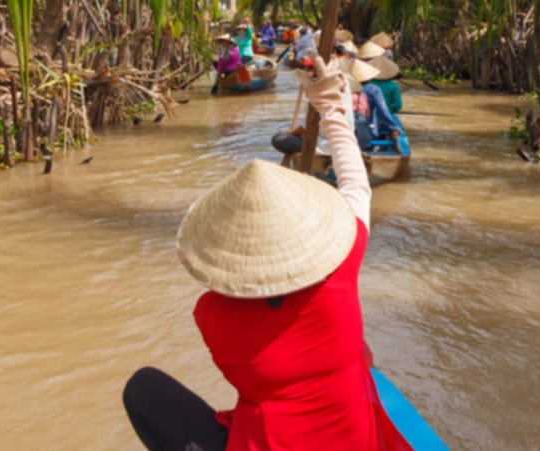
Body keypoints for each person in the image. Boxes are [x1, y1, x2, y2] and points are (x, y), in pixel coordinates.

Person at [124, 56, 410, 451]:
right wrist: (328, 105)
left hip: (264, 441)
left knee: (143, 389)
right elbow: (356, 187)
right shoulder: (340, 272)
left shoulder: (211, 314)